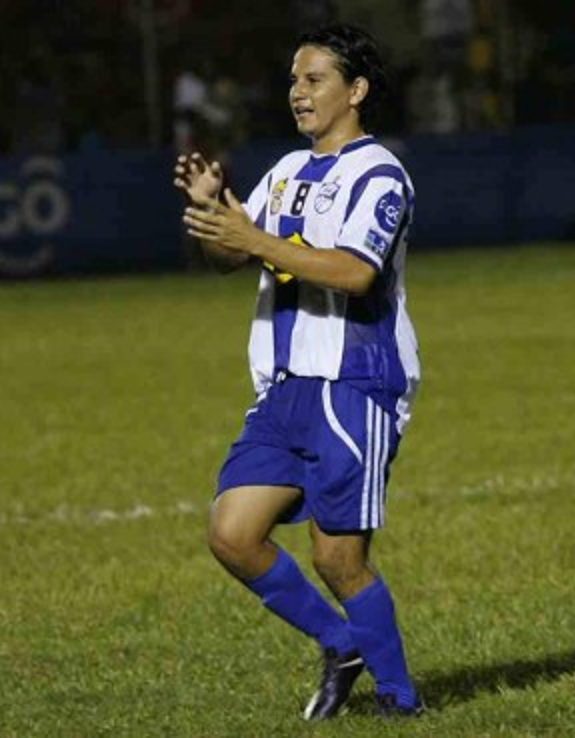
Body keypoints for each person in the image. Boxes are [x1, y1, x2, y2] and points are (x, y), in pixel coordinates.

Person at [173, 24, 425, 720]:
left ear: (357, 90)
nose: (298, 92)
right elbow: (234, 255)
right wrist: (210, 211)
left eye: (314, 79)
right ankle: (343, 644)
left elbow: (354, 272)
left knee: (337, 559)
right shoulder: (285, 171)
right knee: (232, 534)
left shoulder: (379, 174)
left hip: (356, 382)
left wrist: (254, 238)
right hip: (283, 387)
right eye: (293, 80)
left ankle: (401, 702)